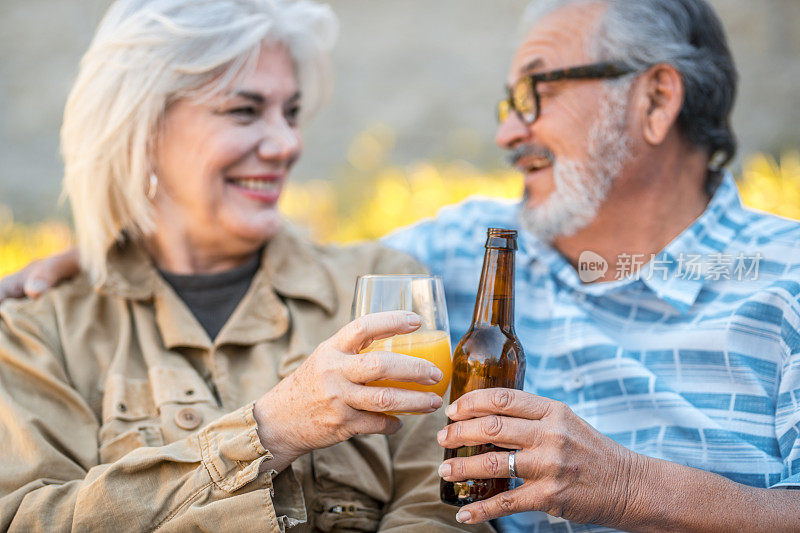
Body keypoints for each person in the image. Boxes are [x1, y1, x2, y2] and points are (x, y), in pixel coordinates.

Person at [6, 0, 800, 531]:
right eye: (246, 110)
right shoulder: (457, 251)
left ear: (656, 101)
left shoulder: (785, 279)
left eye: (536, 93)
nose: (506, 132)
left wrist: (629, 485)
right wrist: (116, 242)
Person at [0, 0, 496, 531]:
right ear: (142, 130)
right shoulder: (39, 329)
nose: (287, 144)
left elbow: (440, 507)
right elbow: (29, 519)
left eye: (292, 112)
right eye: (244, 111)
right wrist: (270, 430)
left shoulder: (381, 286)